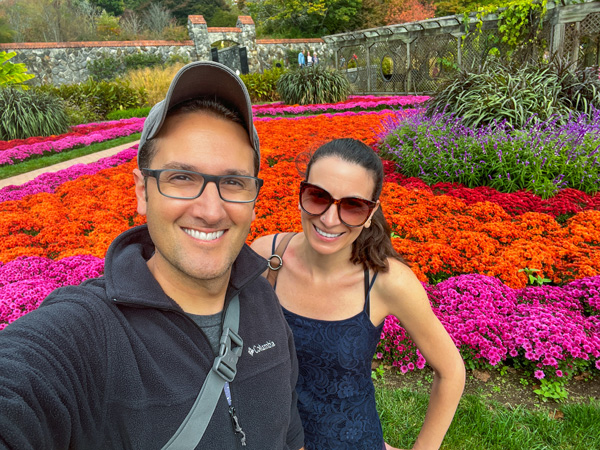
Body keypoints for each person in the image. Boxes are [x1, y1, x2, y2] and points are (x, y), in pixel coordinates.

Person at [0, 61, 305, 450]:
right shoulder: (87, 333)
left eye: (233, 182)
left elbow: (289, 436)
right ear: (143, 191)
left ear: (254, 200)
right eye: (182, 178)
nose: (211, 210)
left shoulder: (264, 301)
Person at [251, 138, 465, 450]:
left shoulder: (387, 282)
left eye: (352, 206)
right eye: (317, 196)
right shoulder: (268, 258)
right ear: (301, 194)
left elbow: (451, 371)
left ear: (369, 214)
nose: (329, 218)